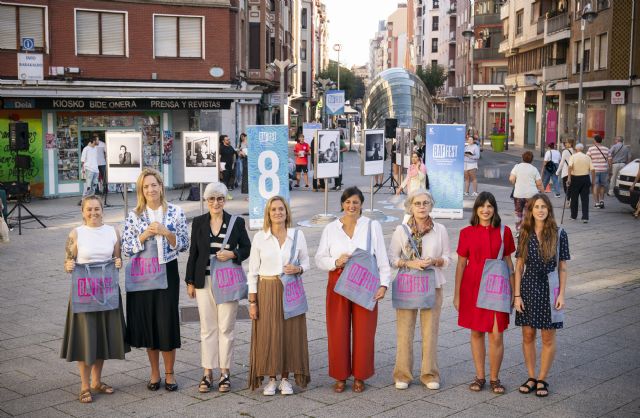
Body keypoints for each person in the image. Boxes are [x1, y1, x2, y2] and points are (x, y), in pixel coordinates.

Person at [315, 187, 391, 393]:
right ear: (342, 204)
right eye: (348, 202)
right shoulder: (331, 228)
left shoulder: (371, 226)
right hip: (338, 280)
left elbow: (382, 257)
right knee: (337, 329)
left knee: (364, 330)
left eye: (355, 202)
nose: (351, 206)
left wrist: (384, 284)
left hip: (365, 281)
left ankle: (360, 375)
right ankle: (340, 375)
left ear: (361, 205)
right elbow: (319, 258)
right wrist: (335, 261)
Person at [122, 168, 189, 391]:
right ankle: (154, 373)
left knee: (166, 322)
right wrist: (145, 235)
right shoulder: (134, 215)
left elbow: (184, 244)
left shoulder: (176, 212)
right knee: (150, 323)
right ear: (141, 190)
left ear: (161, 186)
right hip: (144, 274)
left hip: (167, 272)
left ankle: (170, 373)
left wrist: (166, 232)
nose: (151, 189)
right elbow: (126, 248)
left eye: (154, 185)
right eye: (146, 186)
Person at [61, 195, 129, 403]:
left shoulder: (112, 232)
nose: (93, 213)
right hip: (84, 293)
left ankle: (96, 382)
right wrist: (68, 266)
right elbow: (67, 262)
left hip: (107, 291)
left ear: (102, 210)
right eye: (89, 209)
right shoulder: (76, 233)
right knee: (85, 338)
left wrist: (119, 262)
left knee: (101, 336)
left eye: (97, 209)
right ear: (83, 212)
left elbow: (117, 258)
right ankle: (84, 385)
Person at [185, 182, 251, 393]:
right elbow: (193, 253)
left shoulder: (236, 222)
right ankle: (207, 372)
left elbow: (247, 248)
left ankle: (225, 372)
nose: (216, 202)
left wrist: (233, 254)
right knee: (207, 329)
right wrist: (190, 281)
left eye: (220, 198)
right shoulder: (199, 222)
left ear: (225, 200)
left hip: (228, 281)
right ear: (206, 201)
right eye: (211, 199)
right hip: (204, 281)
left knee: (226, 328)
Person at [388, 189, 451, 390]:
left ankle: (429, 374)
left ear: (431, 205)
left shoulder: (440, 229)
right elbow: (391, 258)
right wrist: (409, 264)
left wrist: (434, 260)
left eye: (425, 203)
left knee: (430, 332)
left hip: (432, 285)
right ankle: (402, 374)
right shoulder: (401, 230)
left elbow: (448, 258)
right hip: (408, 285)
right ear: (410, 206)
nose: (422, 207)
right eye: (418, 203)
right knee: (404, 331)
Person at [248, 196, 311, 395]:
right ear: (268, 213)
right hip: (267, 288)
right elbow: (252, 271)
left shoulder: (297, 235)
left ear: (286, 212)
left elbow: (307, 263)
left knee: (289, 332)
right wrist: (252, 301)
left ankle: (285, 379)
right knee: (268, 332)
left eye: (281, 209)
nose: (278, 212)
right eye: (274, 209)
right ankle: (271, 379)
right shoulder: (260, 237)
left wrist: (298, 268)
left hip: (290, 288)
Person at [454, 192, 516, 394]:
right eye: (482, 206)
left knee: (497, 335)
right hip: (472, 286)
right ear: (476, 209)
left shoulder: (504, 231)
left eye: (490, 206)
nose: (486, 209)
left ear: (494, 209)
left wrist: (515, 293)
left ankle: (495, 378)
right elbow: (461, 264)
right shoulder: (466, 232)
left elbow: (509, 262)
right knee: (476, 331)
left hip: (497, 288)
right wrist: (456, 294)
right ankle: (480, 376)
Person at [514, 194, 570, 397]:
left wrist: (561, 294)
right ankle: (531, 376)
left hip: (550, 286)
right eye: (536, 206)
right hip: (528, 287)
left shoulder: (559, 233)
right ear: (531, 210)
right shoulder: (524, 233)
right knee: (528, 335)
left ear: (549, 210)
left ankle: (542, 379)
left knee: (547, 336)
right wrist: (517, 295)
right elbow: (519, 266)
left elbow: (563, 267)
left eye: (543, 206)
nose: (540, 210)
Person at [509, 151, 544, 234]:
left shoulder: (517, 167)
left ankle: (518, 230)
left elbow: (511, 179)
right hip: (531, 195)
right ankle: (528, 230)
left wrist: (516, 184)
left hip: (518, 194)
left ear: (522, 158)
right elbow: (539, 184)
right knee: (529, 213)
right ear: (532, 160)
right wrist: (543, 193)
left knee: (518, 213)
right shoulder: (534, 169)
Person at [568, 143, 594, 223]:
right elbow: (593, 170)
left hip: (575, 178)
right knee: (585, 199)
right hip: (585, 178)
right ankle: (585, 217)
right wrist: (593, 181)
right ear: (582, 149)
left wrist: (569, 178)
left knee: (574, 198)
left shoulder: (573, 156)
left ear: (576, 149)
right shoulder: (587, 157)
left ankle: (573, 216)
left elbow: (570, 167)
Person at [586, 135, 609, 209]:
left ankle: (597, 203)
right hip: (604, 169)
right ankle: (602, 201)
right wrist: (610, 169)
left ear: (595, 141)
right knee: (602, 185)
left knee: (595, 185)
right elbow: (610, 159)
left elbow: (587, 158)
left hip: (594, 170)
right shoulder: (606, 149)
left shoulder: (591, 149)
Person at [555, 138, 575, 207]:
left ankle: (568, 201)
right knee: (572, 187)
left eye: (567, 143)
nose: (565, 144)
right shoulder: (575, 151)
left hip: (566, 172)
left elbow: (561, 163)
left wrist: (557, 172)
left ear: (570, 144)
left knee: (566, 188)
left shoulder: (565, 151)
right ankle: (571, 200)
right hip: (573, 172)